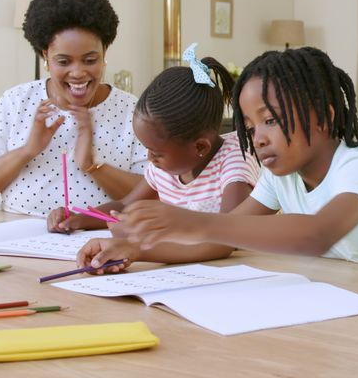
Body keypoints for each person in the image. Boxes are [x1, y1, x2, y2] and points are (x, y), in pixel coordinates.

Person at [81, 47, 358, 272]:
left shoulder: (357, 167)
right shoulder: (280, 176)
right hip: (356, 298)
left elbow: (315, 235)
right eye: (249, 127)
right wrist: (136, 249)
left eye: (271, 120)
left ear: (325, 116)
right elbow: (222, 241)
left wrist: (188, 221)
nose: (259, 137)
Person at [0, 0, 147, 216]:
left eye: (90, 60)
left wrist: (92, 165)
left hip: (101, 243)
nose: (78, 72)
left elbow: (156, 196)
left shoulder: (133, 111)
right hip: (17, 242)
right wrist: (27, 150)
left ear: (104, 53)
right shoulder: (16, 102)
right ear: (45, 56)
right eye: (64, 61)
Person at [64, 44, 260, 271]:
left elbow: (225, 240)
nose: (150, 157)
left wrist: (137, 247)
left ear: (200, 147)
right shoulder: (162, 166)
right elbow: (125, 206)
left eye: (156, 152)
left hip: (235, 274)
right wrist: (79, 218)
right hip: (182, 271)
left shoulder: (234, 163)